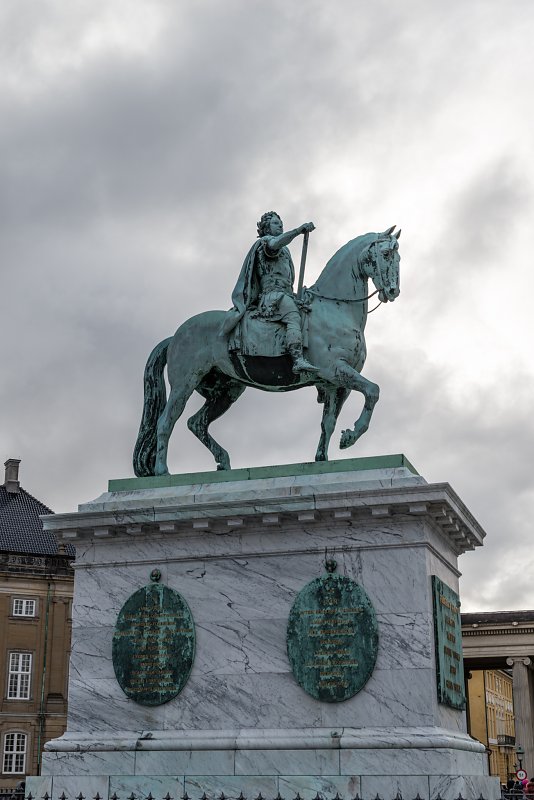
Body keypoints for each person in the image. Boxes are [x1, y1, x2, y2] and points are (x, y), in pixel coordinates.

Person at [221, 211, 319, 374]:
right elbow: (274, 246)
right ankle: (297, 359)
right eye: (275, 223)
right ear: (266, 228)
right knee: (293, 315)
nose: (280, 225)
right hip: (272, 296)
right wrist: (297, 231)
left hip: (286, 294)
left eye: (281, 223)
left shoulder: (285, 251)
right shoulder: (266, 243)